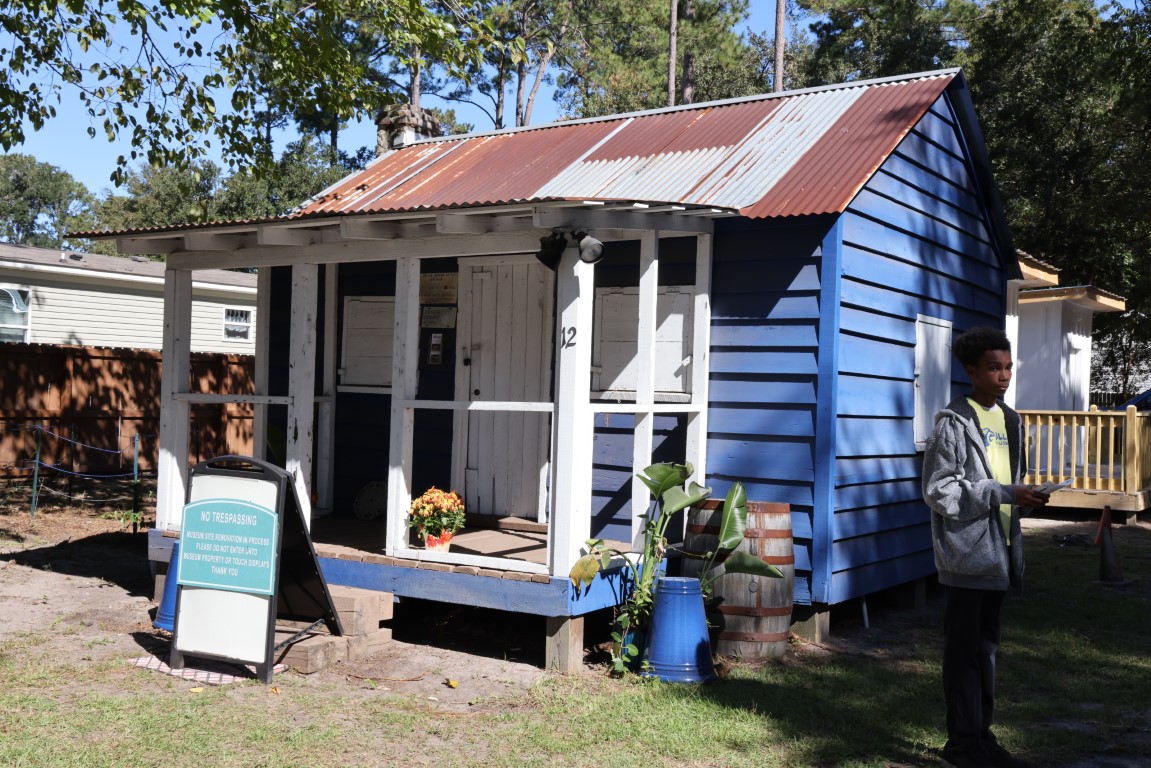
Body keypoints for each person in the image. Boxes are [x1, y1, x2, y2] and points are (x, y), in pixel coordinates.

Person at [922, 326, 1049, 768]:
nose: (1003, 375)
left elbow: (1010, 485)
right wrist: (1002, 493)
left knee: (987, 652)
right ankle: (961, 744)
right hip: (968, 554)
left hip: (1002, 553)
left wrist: (1027, 496)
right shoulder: (953, 423)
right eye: (993, 367)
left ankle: (982, 737)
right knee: (964, 654)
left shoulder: (1012, 421)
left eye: (1008, 366)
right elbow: (940, 491)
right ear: (971, 371)